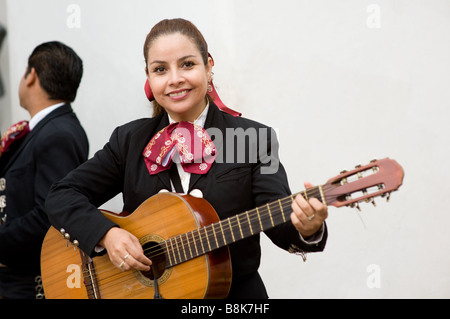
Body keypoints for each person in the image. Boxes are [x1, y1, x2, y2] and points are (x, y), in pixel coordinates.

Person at [45, 18, 328, 299]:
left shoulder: (254, 139)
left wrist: (308, 227)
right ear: (149, 77)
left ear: (209, 66)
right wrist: (106, 234)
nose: (175, 79)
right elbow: (61, 195)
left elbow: (279, 224)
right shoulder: (129, 141)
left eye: (188, 64)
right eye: (160, 69)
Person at [0, 41, 89, 298]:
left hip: (29, 282)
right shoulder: (47, 129)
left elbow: (49, 214)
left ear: (32, 75)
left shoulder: (58, 133)